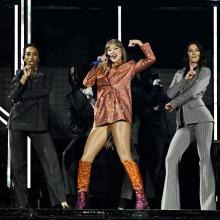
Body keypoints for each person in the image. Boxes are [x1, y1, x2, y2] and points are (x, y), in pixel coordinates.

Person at [74, 39, 156, 210]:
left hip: (120, 115)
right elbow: (86, 83)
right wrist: (97, 65)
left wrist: (141, 43)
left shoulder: (129, 67)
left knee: (125, 156)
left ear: (121, 51)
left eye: (115, 48)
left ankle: (141, 198)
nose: (112, 51)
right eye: (108, 49)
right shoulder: (100, 70)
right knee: (85, 158)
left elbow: (151, 59)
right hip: (102, 117)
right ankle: (81, 198)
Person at [62, 63, 140, 209]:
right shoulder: (71, 98)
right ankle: (73, 198)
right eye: (71, 74)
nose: (74, 77)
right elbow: (73, 126)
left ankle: (125, 200)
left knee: (134, 158)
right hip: (88, 132)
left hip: (113, 127)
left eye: (77, 72)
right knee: (68, 154)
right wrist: (94, 133)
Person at [7, 43, 69, 209]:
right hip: (18, 121)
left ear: (39, 57)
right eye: (28, 54)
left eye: (34, 54)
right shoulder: (19, 74)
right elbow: (12, 95)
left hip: (38, 121)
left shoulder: (47, 72)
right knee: (17, 164)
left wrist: (21, 96)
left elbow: (45, 90)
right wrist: (24, 78)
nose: (31, 57)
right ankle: (22, 204)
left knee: (51, 160)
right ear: (24, 57)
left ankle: (61, 201)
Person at [161, 41, 216, 210]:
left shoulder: (205, 71)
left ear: (200, 54)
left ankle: (208, 208)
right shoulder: (180, 73)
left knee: (204, 159)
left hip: (201, 117)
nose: (193, 53)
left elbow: (194, 92)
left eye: (196, 50)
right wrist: (184, 80)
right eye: (190, 50)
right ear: (187, 54)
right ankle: (170, 207)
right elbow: (169, 92)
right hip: (183, 122)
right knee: (171, 159)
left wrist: (174, 103)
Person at [131, 68, 171, 209]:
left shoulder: (152, 86)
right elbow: (152, 102)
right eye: (144, 70)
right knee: (152, 167)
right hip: (151, 133)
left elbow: (166, 101)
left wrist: (157, 87)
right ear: (137, 73)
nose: (148, 72)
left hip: (164, 131)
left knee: (163, 167)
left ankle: (161, 199)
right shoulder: (135, 89)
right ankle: (149, 200)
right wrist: (155, 88)